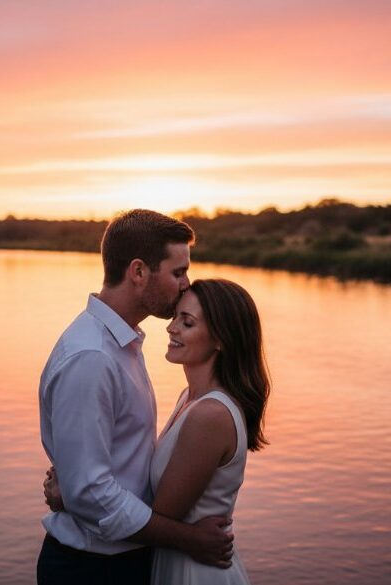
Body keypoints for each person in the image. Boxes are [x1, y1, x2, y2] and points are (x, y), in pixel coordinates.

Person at [37, 209, 234, 585]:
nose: (186, 284)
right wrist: (190, 539)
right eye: (178, 272)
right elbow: (91, 494)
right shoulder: (92, 357)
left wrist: (74, 490)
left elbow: (97, 479)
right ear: (139, 271)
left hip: (118, 562)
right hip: (93, 570)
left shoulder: (120, 343)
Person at [149, 278, 270, 584]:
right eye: (176, 316)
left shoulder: (210, 415)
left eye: (186, 322)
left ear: (221, 340)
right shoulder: (189, 399)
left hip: (195, 571)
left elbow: (162, 514)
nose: (171, 328)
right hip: (177, 559)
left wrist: (78, 496)